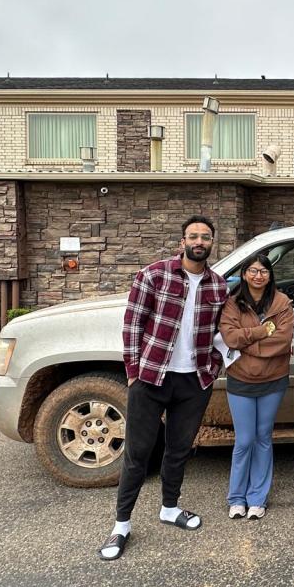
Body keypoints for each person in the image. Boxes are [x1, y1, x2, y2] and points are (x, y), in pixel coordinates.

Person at [99, 215, 228, 561]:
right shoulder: (154, 275)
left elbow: (221, 332)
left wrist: (212, 367)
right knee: (138, 453)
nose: (199, 242)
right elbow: (133, 324)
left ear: (211, 243)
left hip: (194, 381)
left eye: (205, 237)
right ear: (182, 242)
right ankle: (121, 525)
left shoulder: (218, 286)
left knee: (179, 449)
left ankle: (170, 507)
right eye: (193, 236)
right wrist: (133, 371)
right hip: (152, 377)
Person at [218, 254, 294, 520]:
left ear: (270, 275)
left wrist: (246, 344)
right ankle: (236, 498)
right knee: (244, 440)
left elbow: (283, 341)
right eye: (252, 270)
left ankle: (257, 499)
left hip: (273, 380)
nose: (258, 276)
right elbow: (230, 337)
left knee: (263, 438)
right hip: (240, 380)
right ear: (244, 274)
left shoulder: (282, 303)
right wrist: (262, 332)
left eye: (263, 271)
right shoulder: (232, 303)